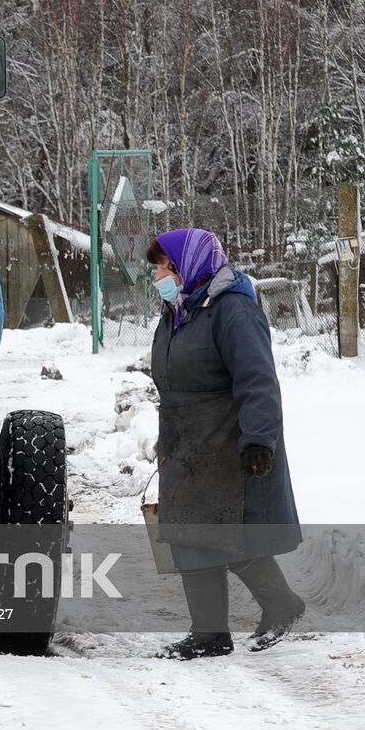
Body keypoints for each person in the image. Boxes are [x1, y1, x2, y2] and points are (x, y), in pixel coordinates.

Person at [146, 229, 305, 660]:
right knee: (193, 535)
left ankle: (278, 607)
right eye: (158, 267)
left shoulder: (232, 309)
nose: (158, 274)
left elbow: (257, 379)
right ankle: (212, 634)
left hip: (224, 439)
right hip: (188, 442)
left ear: (190, 266)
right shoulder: (180, 310)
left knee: (222, 534)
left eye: (165, 266)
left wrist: (258, 439)